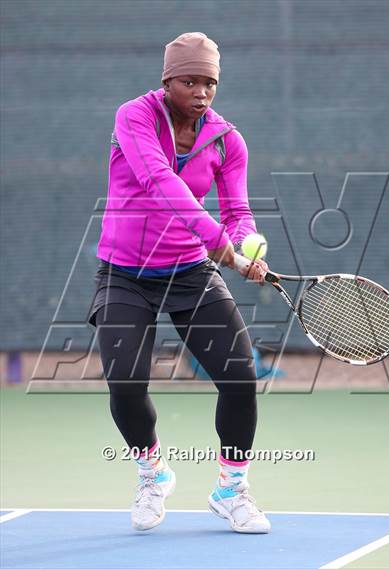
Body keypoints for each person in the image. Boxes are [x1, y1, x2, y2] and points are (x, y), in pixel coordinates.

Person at [88, 32, 271, 534]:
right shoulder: (135, 116)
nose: (201, 91)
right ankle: (152, 473)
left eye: (209, 82)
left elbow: (238, 211)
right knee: (125, 385)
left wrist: (246, 243)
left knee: (240, 379)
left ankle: (231, 489)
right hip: (125, 273)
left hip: (190, 272)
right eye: (189, 80)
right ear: (167, 80)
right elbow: (157, 179)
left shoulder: (227, 140)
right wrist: (217, 239)